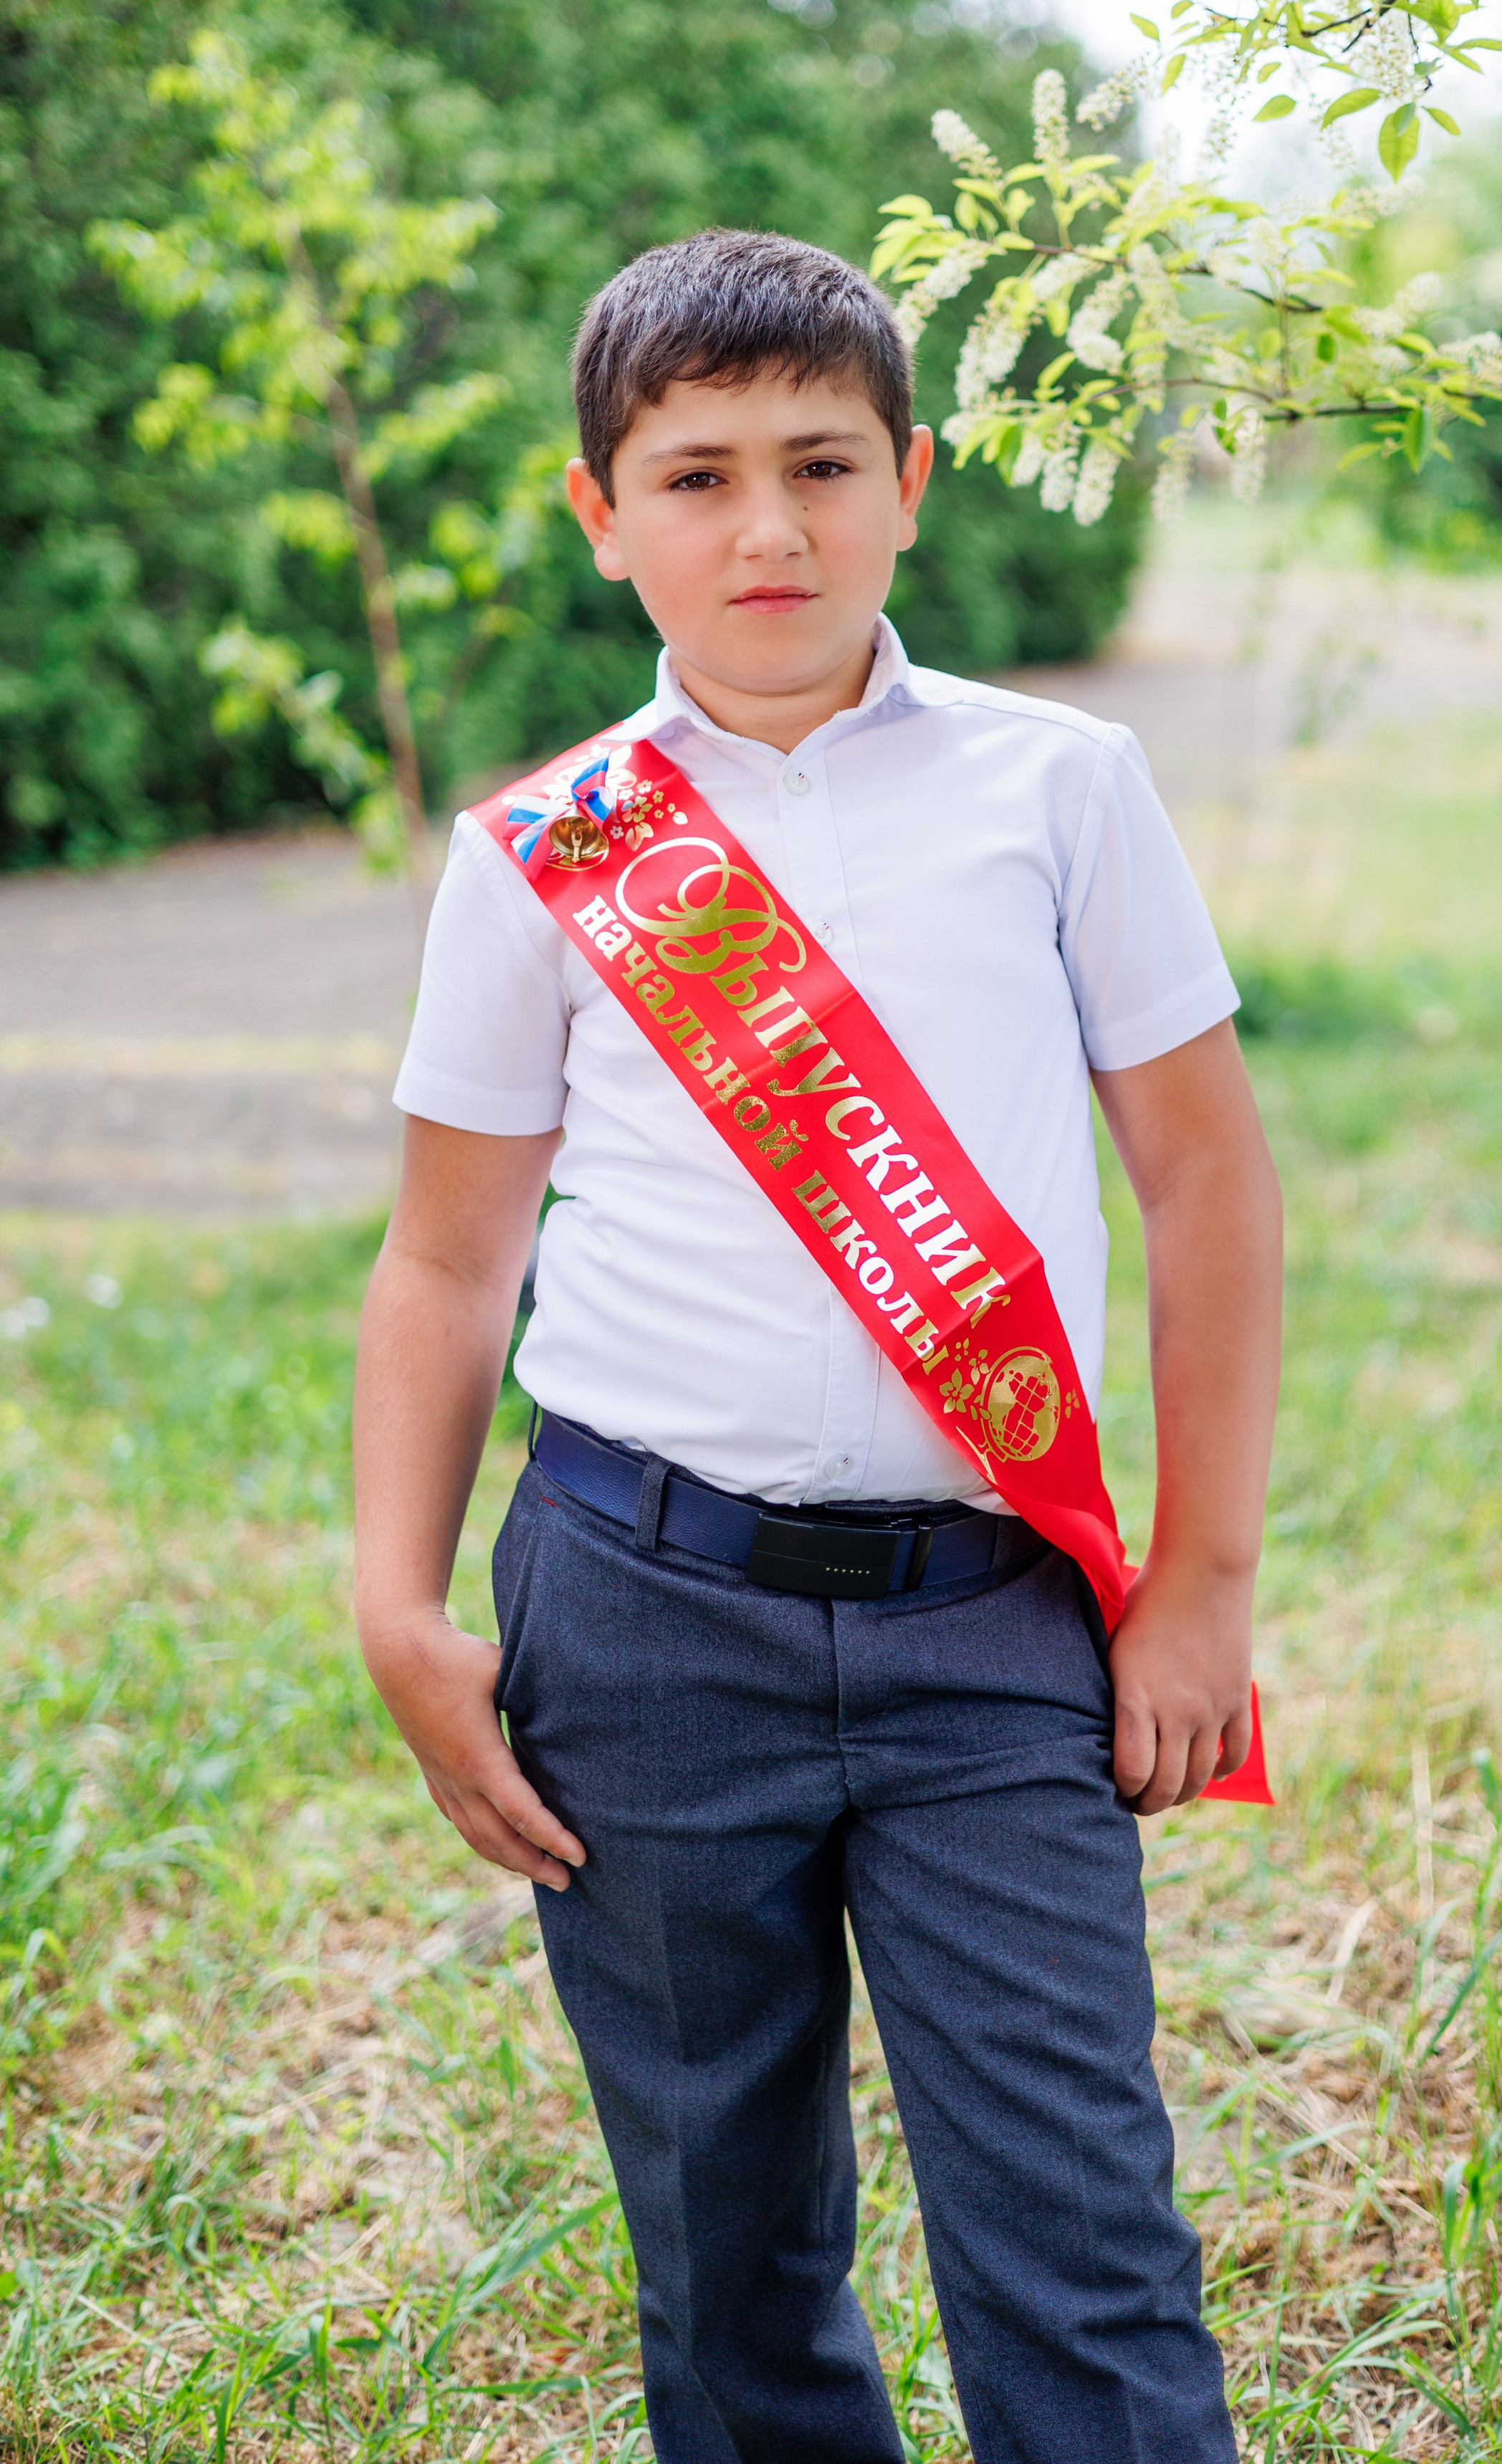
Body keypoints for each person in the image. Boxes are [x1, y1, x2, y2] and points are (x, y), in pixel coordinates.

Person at [352, 226, 1283, 2464]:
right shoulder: (548, 854)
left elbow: (1209, 1188)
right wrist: (392, 1601)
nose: (765, 528)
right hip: (642, 1618)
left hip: (995, 1631)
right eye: (693, 478)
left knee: (1080, 2240)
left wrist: (1205, 1586)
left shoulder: (1061, 790)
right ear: (602, 513)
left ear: (914, 480)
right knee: (728, 2248)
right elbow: (448, 1265)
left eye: (821, 464)